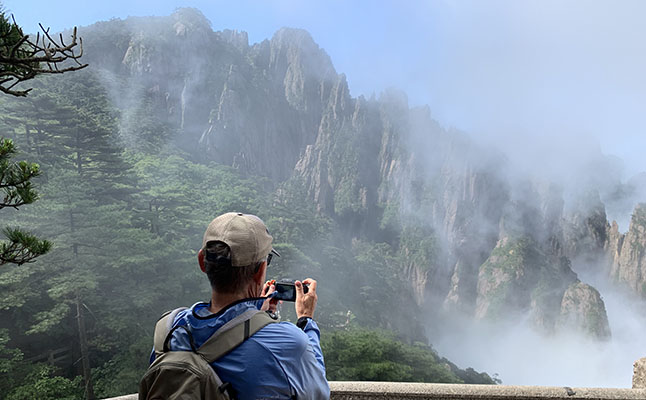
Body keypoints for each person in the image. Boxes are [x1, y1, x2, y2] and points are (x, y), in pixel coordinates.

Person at [149, 212, 330, 399]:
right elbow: (319, 393)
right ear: (260, 272)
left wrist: (255, 317)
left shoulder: (168, 330)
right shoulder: (288, 343)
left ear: (202, 262)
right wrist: (306, 321)